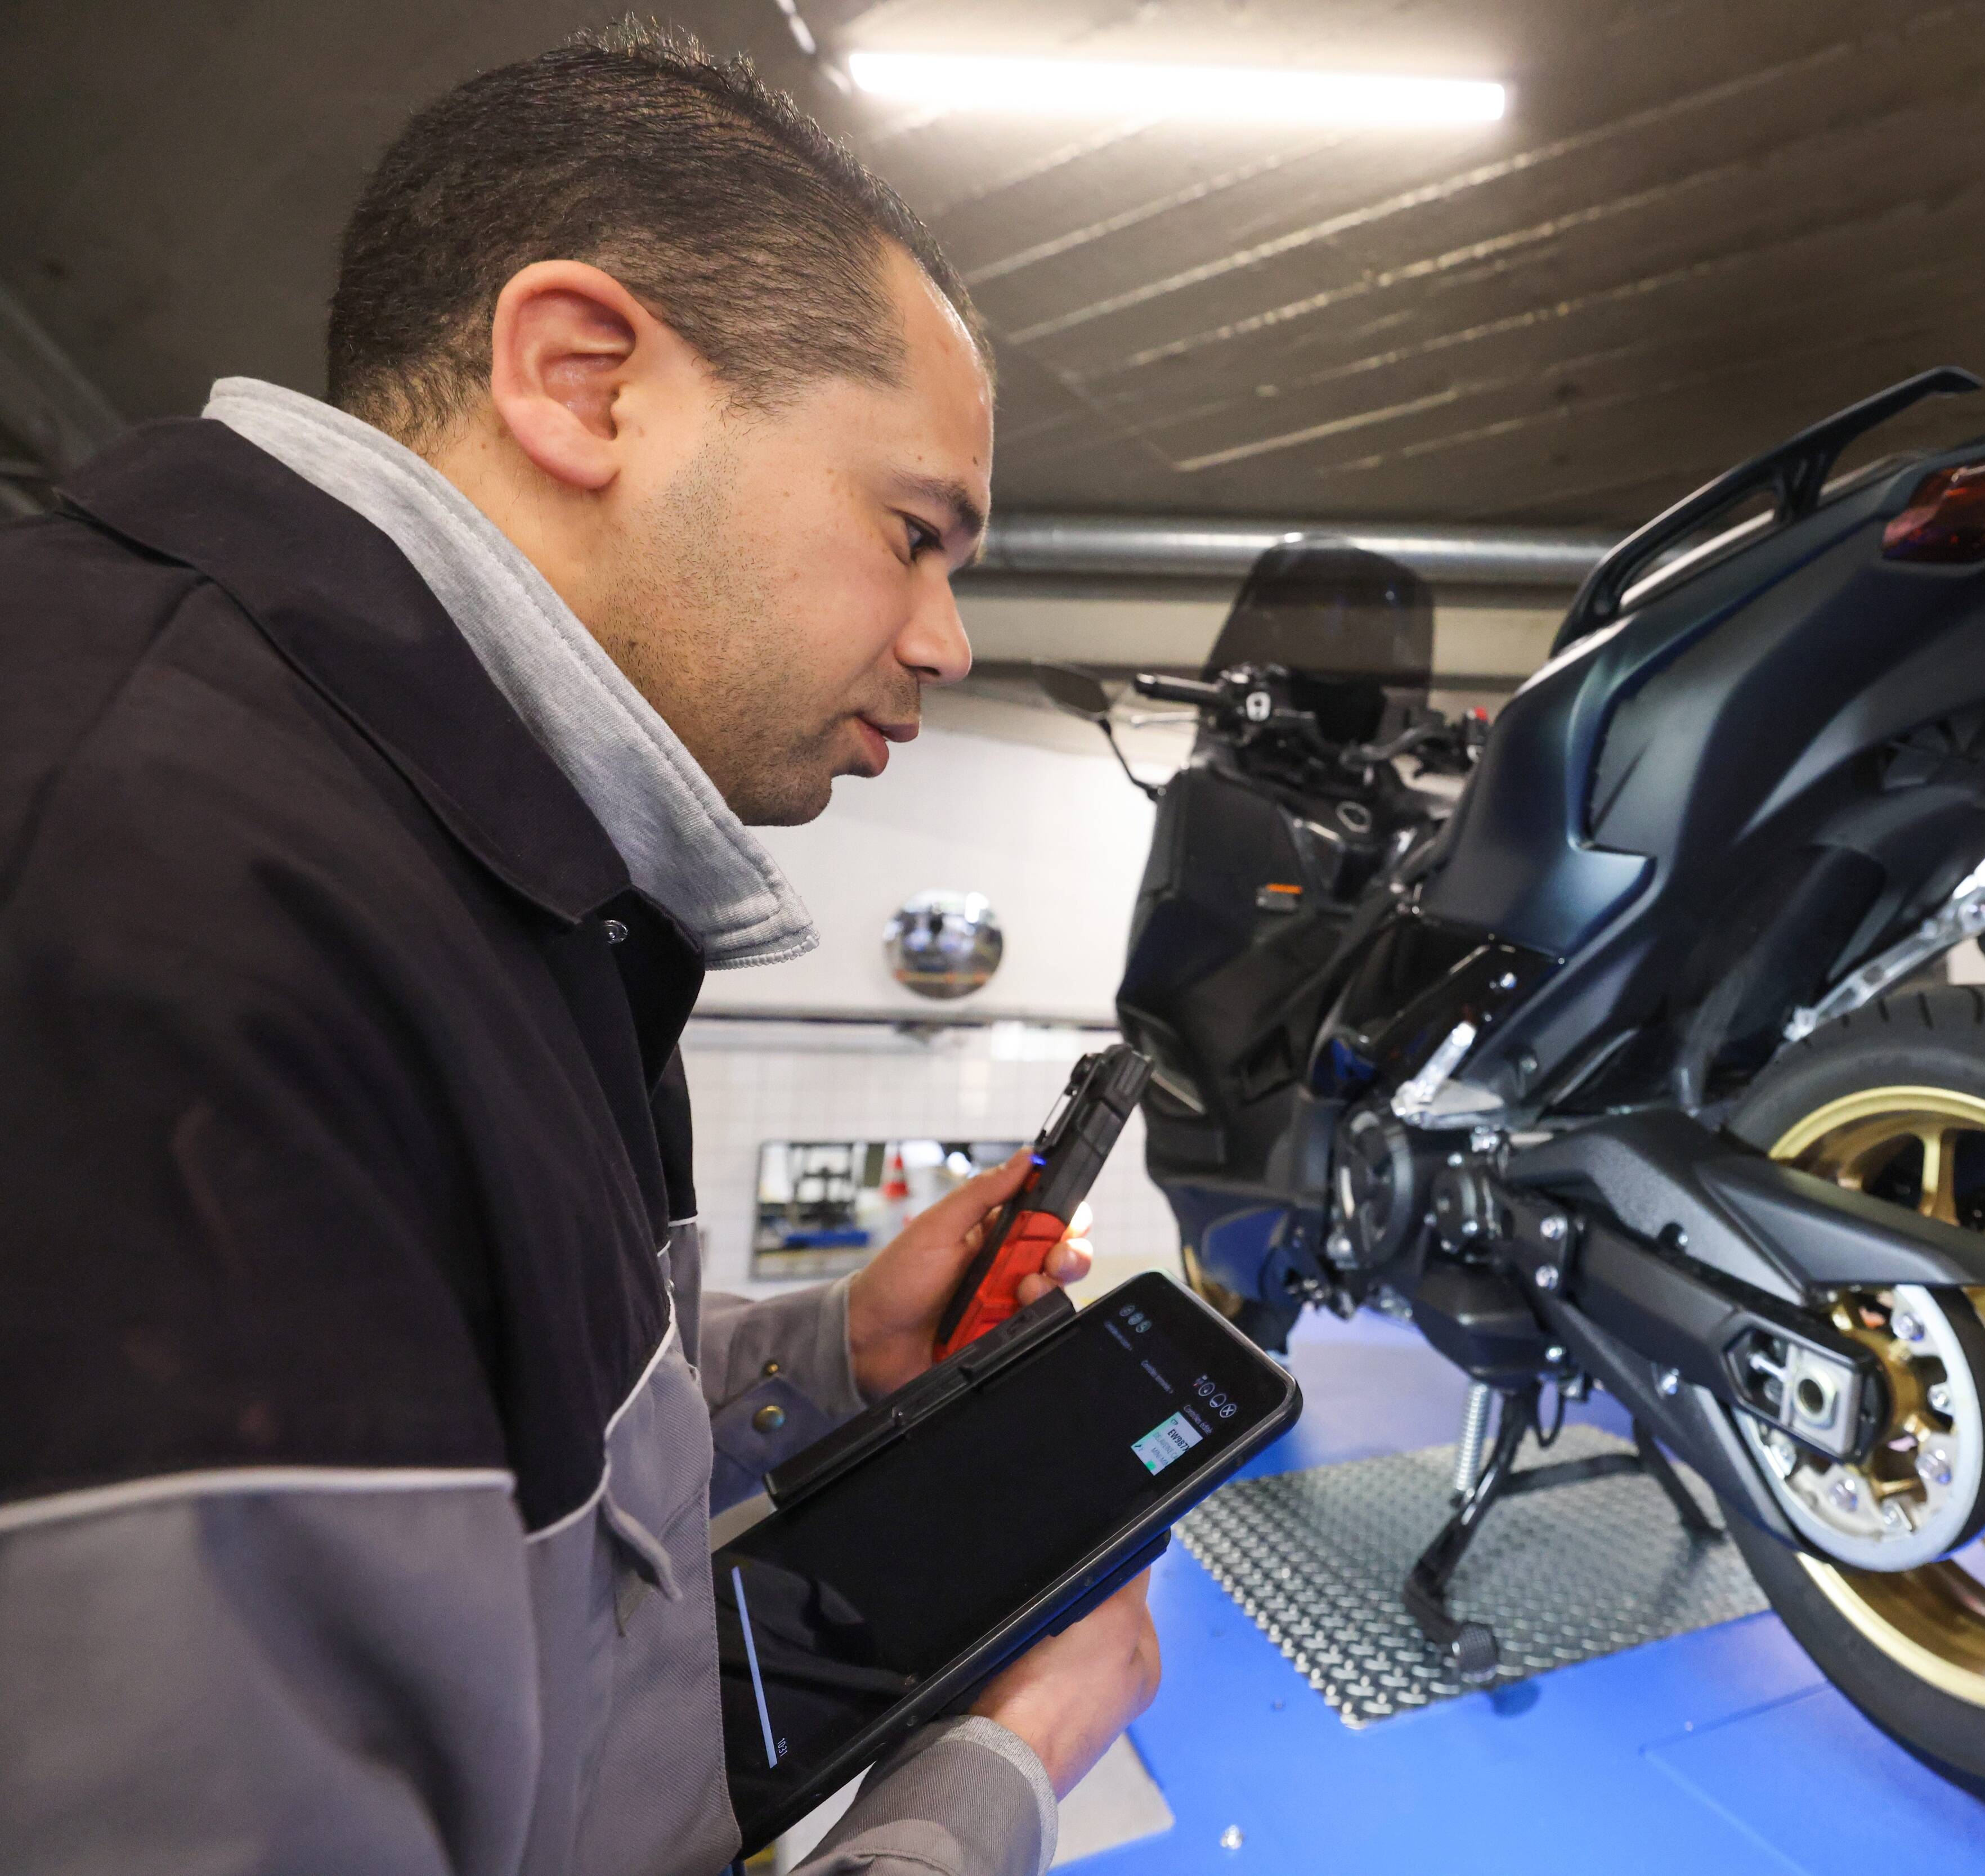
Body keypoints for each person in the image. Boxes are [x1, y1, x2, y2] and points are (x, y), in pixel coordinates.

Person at [0, 23, 1157, 1876]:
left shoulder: (469, 862)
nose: (944, 638)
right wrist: (1004, 1770)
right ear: (584, 382)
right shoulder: (160, 927)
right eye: (914, 530)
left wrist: (821, 1360)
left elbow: (468, 1383)